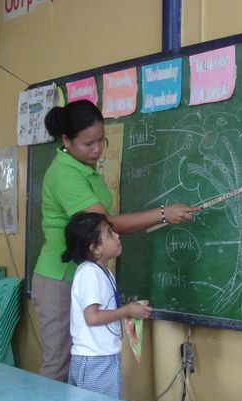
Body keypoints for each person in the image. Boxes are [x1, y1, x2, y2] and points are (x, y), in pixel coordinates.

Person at [32, 100, 199, 382]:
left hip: (88, 274)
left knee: (86, 365)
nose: (97, 150)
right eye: (88, 144)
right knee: (59, 366)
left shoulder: (85, 167)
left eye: (101, 140)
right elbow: (102, 224)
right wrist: (162, 213)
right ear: (66, 140)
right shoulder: (64, 174)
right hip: (60, 279)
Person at [62, 212, 152, 398]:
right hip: (95, 360)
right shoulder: (89, 274)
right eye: (110, 233)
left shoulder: (103, 272)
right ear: (95, 248)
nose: (117, 236)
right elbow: (92, 317)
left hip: (103, 357)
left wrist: (127, 311)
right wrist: (126, 310)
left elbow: (103, 310)